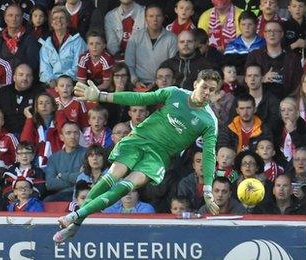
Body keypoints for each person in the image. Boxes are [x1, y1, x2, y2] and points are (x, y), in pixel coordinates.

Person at [54, 69, 222, 243]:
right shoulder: (174, 93)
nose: (207, 93)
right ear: (196, 84)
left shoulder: (209, 121)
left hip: (158, 157)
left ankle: (76, 217)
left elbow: (209, 154)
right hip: (139, 140)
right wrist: (102, 95)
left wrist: (208, 188)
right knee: (112, 177)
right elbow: (140, 99)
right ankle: (76, 221)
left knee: (126, 186)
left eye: (212, 90)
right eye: (204, 87)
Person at [245, 20, 302, 99]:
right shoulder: (254, 56)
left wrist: (289, 101)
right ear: (264, 34)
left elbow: (298, 84)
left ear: (282, 34)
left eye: (275, 31)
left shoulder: (293, 58)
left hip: (286, 103)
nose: (272, 34)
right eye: (268, 31)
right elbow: (246, 81)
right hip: (260, 101)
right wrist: (262, 79)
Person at [125, 4, 178, 89]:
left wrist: (157, 82)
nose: (155, 19)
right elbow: (129, 64)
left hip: (163, 85)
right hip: (138, 85)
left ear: (163, 18)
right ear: (145, 18)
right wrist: (135, 81)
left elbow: (173, 65)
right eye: (151, 16)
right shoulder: (135, 37)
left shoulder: (172, 38)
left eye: (158, 16)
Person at [39, 6, 86, 87]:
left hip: (72, 83)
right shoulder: (46, 43)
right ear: (52, 23)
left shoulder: (77, 40)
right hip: (52, 85)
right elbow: (44, 69)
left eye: (62, 18)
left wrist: (62, 80)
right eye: (55, 18)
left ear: (67, 22)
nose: (58, 20)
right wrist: (51, 80)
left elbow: (78, 67)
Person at [0, 63, 43, 134]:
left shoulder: (39, 94)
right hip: (5, 135)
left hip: (30, 134)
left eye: (28, 75)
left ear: (32, 78)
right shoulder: (3, 92)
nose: (24, 78)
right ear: (14, 78)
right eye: (21, 75)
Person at [44, 122, 87, 202]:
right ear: (61, 137)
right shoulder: (53, 158)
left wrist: (62, 175)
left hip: (83, 195)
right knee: (47, 201)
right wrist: (75, 179)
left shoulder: (87, 154)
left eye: (76, 133)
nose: (73, 136)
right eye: (68, 133)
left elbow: (87, 179)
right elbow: (50, 184)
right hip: (61, 195)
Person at [0, 5, 39, 72]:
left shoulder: (30, 39)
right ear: (5, 19)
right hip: (2, 78)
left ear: (21, 19)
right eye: (10, 15)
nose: (14, 19)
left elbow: (32, 64)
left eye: (17, 16)